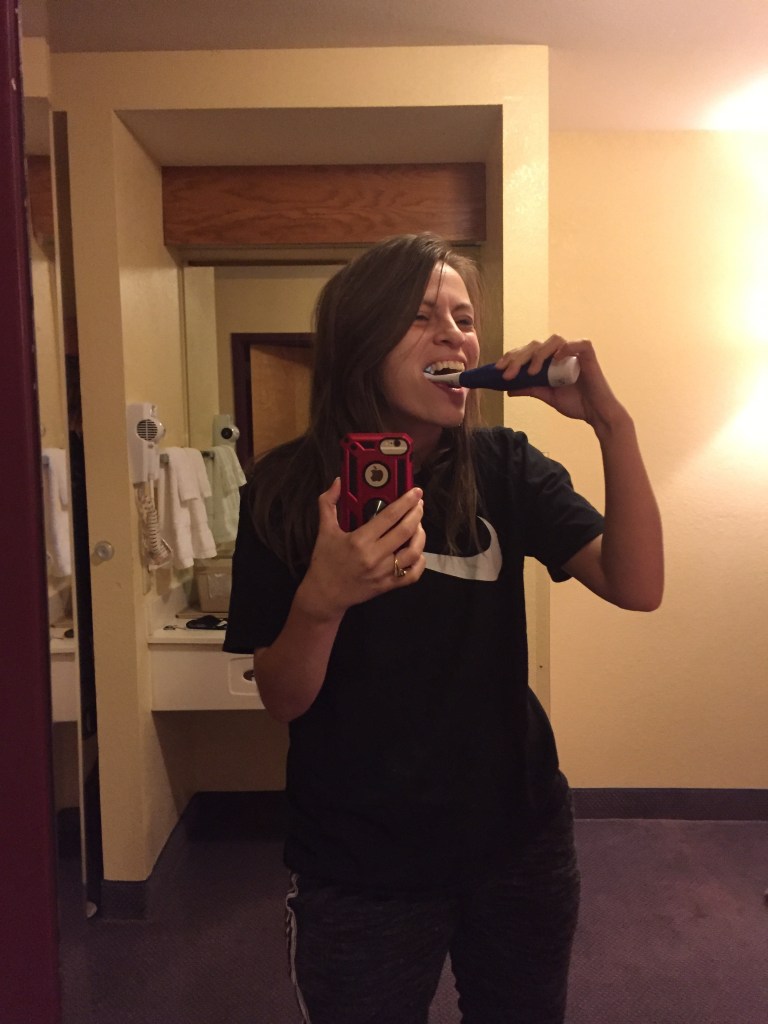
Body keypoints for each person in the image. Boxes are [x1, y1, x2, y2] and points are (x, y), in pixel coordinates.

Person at [224, 233, 663, 1024]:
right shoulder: (284, 488)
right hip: (359, 864)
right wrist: (322, 599)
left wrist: (612, 425)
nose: (456, 336)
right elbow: (283, 699)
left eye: (464, 319)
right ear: (361, 337)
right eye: (423, 316)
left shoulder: (506, 467)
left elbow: (638, 586)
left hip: (517, 841)